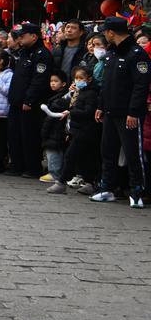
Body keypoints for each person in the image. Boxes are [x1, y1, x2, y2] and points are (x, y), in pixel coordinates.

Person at [89, 17, 151, 208]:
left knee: (133, 153)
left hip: (129, 114)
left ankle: (137, 191)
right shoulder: (111, 54)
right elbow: (106, 84)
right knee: (107, 150)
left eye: (105, 31)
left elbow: (141, 86)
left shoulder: (136, 54)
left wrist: (133, 111)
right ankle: (107, 188)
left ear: (111, 32)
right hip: (109, 111)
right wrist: (100, 105)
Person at [7, 22, 53, 178]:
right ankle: (17, 165)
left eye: (22, 36)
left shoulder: (42, 54)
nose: (20, 39)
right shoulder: (24, 52)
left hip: (29, 104)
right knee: (15, 135)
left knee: (29, 136)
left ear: (33, 36)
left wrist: (29, 100)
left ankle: (32, 167)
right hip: (15, 102)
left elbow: (39, 80)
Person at [47, 66, 100, 194]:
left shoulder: (91, 94)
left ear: (89, 79)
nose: (77, 81)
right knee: (83, 158)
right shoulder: (80, 92)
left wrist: (71, 112)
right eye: (76, 78)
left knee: (70, 156)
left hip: (85, 130)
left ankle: (61, 182)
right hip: (76, 130)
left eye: (81, 78)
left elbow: (88, 111)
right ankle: (89, 182)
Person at [39, 70, 70, 183]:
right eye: (51, 81)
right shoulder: (55, 96)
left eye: (56, 81)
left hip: (56, 130)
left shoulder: (62, 98)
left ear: (63, 84)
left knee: (54, 150)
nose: (52, 83)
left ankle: (55, 173)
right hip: (53, 129)